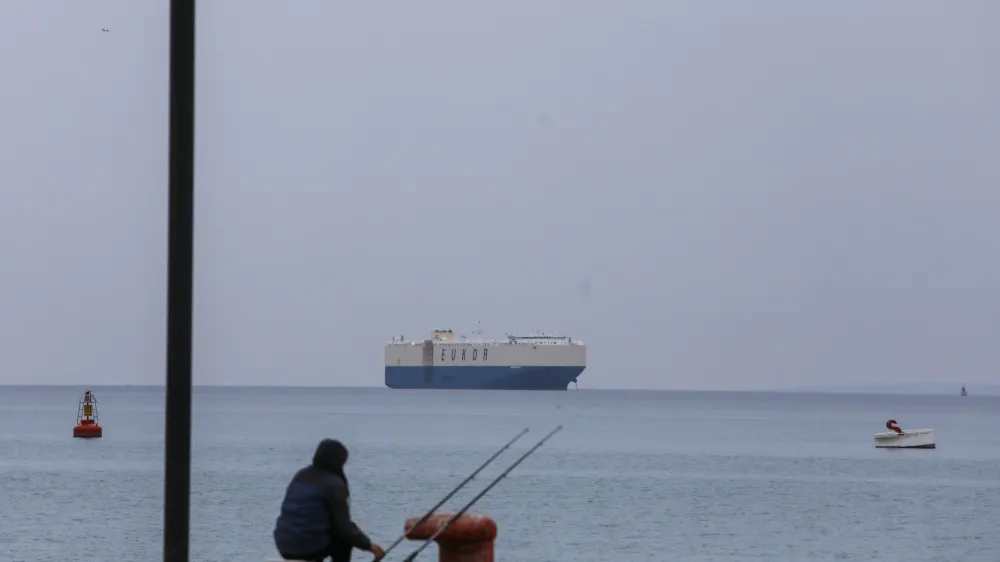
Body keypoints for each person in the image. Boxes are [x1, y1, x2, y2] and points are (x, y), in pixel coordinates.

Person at [273, 439, 385, 561]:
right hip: (307, 547)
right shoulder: (334, 485)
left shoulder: (301, 475)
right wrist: (368, 545)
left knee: (322, 531)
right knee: (344, 540)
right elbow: (345, 528)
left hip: (284, 544)